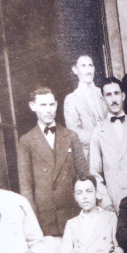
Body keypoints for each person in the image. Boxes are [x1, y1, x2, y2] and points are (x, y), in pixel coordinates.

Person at [17, 86, 89, 237]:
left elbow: (83, 176)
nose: (48, 110)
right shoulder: (26, 141)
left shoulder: (71, 136)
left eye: (51, 104)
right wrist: (33, 223)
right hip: (46, 220)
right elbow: (26, 188)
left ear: (56, 105)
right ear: (33, 106)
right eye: (43, 105)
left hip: (73, 215)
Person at [89, 77, 127, 212]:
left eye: (116, 93)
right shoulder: (98, 132)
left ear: (123, 96)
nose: (113, 99)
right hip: (115, 202)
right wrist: (107, 204)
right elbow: (95, 174)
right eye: (108, 95)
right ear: (103, 99)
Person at [63, 54, 107, 159]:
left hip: (112, 150)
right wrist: (98, 140)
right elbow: (74, 130)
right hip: (89, 154)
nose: (88, 70)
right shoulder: (71, 99)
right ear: (75, 70)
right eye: (83, 66)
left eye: (90, 65)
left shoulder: (103, 92)